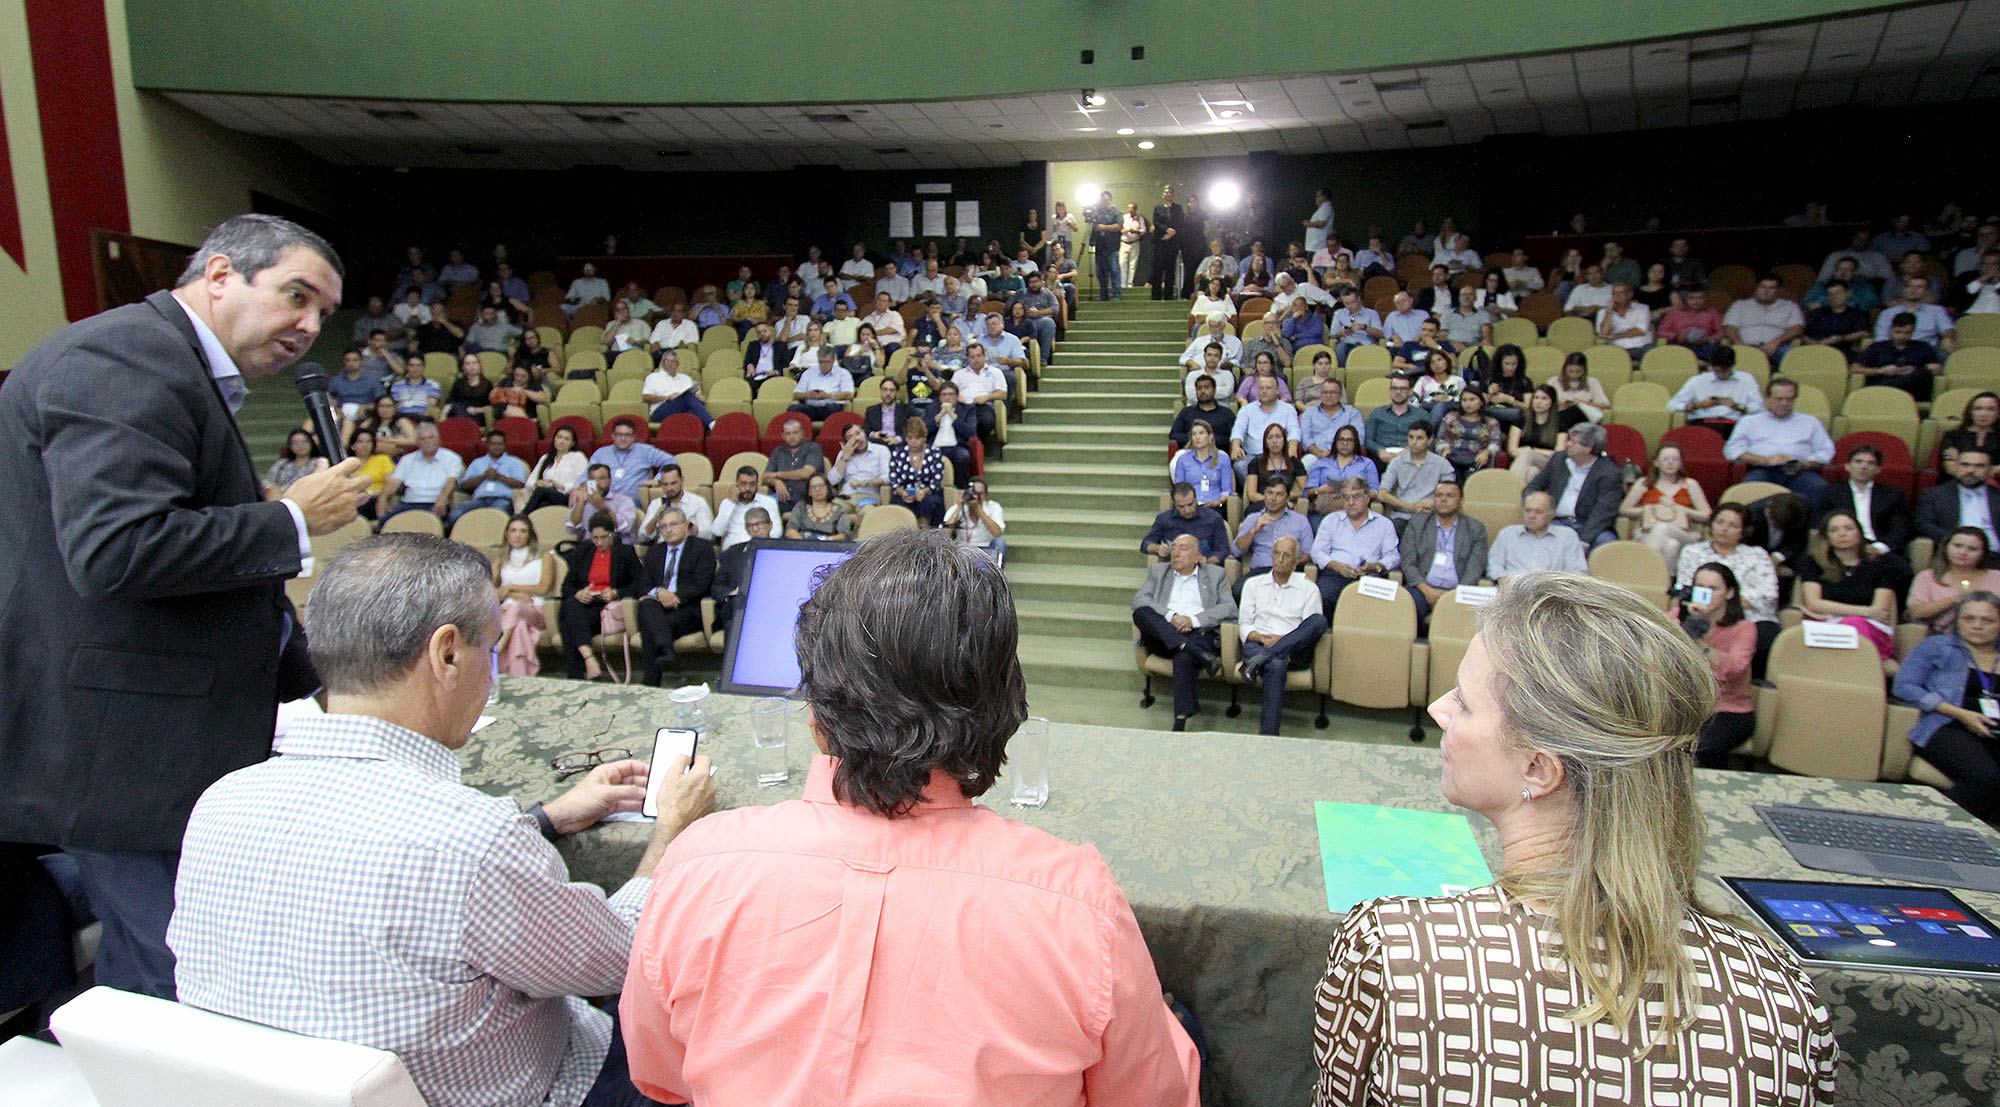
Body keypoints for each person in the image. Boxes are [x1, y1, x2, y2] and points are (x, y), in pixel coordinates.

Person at [629, 531, 1206, 1105]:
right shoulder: (1080, 907)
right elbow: (1158, 1096)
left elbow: (660, 1072)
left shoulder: (693, 870)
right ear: (1006, 708)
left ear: (816, 718)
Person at [170, 534, 716, 1107]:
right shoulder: (472, 843)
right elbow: (622, 957)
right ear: (448, 655)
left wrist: (546, 817)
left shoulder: (222, 802)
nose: (493, 672)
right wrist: (671, 835)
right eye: (492, 649)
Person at [0, 215, 367, 998]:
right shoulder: (123, 357)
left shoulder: (170, 364)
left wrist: (310, 683)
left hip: (155, 744)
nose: (308, 327)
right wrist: (293, 518)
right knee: (184, 975)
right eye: (296, 297)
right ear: (222, 273)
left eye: (323, 315)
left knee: (159, 964)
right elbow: (116, 549)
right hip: (129, 752)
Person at [1313, 572, 1838, 1105]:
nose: (1438, 709)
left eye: (1465, 703)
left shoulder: (1397, 955)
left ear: (1539, 768)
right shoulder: (1781, 994)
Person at [1895, 592, 2000, 820]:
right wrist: (1960, 714)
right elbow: (1904, 686)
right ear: (1957, 621)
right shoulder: (1937, 647)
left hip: (1994, 731)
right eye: (1969, 619)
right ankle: (1940, 830)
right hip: (1947, 726)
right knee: (1985, 778)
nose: (1977, 626)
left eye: (1988, 621)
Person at [1134, 533, 1236, 731]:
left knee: (1183, 657)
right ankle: (1193, 651)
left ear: (1198, 556)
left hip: (1199, 634)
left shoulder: (1215, 575)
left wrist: (1193, 620)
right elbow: (1139, 600)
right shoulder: (1158, 572)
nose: (1175, 553)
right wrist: (1171, 616)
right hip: (1163, 633)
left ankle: (1179, 722)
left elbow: (1229, 608)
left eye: (1183, 549)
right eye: (1174, 548)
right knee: (1142, 612)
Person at [1236, 535, 1327, 735]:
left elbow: (1308, 630)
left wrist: (1284, 642)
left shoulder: (1308, 588)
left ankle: (1260, 661)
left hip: (1293, 650)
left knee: (1319, 621)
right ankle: (1268, 736)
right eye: (1277, 553)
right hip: (1258, 643)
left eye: (1287, 556)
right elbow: (1244, 624)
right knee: (1276, 665)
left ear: (1296, 562)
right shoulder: (1253, 584)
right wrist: (1261, 638)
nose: (1280, 559)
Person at [1674, 503, 1782, 670]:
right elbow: (1685, 588)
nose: (1724, 529)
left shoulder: (1757, 555)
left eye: (1732, 525)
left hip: (1751, 616)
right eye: (1720, 522)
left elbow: (1768, 594)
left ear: (1743, 531)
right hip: (1704, 613)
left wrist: (1730, 601)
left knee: (1764, 640)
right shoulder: (1692, 552)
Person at [1673, 562, 1758, 767]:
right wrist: (1684, 624)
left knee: (1703, 748)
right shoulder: (1676, 617)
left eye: (1713, 589)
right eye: (1700, 587)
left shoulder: (1744, 628)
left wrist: (1698, 640)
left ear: (1729, 593)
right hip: (1685, 704)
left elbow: (1735, 669)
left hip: (1728, 708)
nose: (1706, 594)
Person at [1796, 511, 1900, 663]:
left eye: (1848, 528)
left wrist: (1840, 612)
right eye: (1834, 530)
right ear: (1826, 537)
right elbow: (1814, 603)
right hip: (1827, 629)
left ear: (1859, 533)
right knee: (1853, 623)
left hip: (1872, 630)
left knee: (1855, 624)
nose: (1842, 534)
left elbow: (1880, 609)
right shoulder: (1813, 563)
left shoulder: (1881, 565)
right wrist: (1865, 611)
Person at [559, 511, 644, 682]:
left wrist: (616, 592)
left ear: (612, 533)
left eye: (603, 537)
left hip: (605, 609)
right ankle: (589, 658)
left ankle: (577, 675)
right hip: (585, 604)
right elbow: (567, 586)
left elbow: (640, 584)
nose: (599, 542)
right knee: (571, 605)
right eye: (595, 537)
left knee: (569, 619)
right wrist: (579, 593)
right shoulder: (583, 551)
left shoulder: (626, 552)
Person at [635, 507, 715, 684]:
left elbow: (702, 583)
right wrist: (660, 592)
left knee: (651, 627)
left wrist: (675, 597)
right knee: (645, 606)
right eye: (663, 527)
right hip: (658, 606)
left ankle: (651, 681)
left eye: (673, 524)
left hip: (688, 608)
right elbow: (643, 583)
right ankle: (666, 652)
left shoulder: (702, 548)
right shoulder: (655, 552)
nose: (668, 530)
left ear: (686, 525)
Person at [1722, 378, 1835, 503]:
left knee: (1822, 489)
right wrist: (1765, 460)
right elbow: (1732, 450)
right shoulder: (1749, 422)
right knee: (1748, 492)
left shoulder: (1810, 422)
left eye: (1789, 399)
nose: (1784, 403)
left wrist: (1805, 463)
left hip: (1799, 470)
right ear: (1768, 399)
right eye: (1779, 399)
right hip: (1762, 469)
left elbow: (1827, 450)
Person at [1399, 479, 1488, 628]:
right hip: (1422, 589)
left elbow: (1475, 568)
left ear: (1461, 501)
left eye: (1449, 496)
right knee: (1406, 606)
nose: (1443, 499)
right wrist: (1426, 590)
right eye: (1439, 495)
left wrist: (1452, 596)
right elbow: (1408, 562)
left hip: (1460, 592)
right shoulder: (1417, 524)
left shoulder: (1475, 529)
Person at [1310, 477, 1401, 611]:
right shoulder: (1331, 521)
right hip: (1336, 574)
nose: (1351, 502)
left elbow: (1393, 556)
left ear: (1368, 497)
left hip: (1370, 577)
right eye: (1346, 498)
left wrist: (1376, 566)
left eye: (1356, 497)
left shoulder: (1384, 524)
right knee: (1323, 594)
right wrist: (1336, 566)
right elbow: (1317, 552)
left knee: (1376, 605)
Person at [1619, 444, 1713, 568]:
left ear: (1681, 464)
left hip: (1683, 532)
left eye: (1675, 459)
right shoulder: (1644, 483)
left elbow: (1706, 514)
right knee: (1671, 545)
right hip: (1648, 531)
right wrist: (1652, 508)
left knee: (1662, 527)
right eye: (1665, 459)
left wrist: (1678, 507)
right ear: (1657, 463)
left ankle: (1644, 571)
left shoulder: (1690, 484)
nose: (1670, 463)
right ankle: (1666, 582)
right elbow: (1624, 510)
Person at [1817, 443, 1910, 558]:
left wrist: (1879, 548)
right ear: (1848, 466)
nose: (1864, 466)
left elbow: (1900, 528)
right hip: (1842, 548)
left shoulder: (1892, 495)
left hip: (1879, 549)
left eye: (1870, 463)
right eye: (1858, 461)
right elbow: (1821, 523)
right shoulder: (1831, 493)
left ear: (1878, 469)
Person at [494, 514, 556, 676]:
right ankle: (519, 675)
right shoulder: (500, 558)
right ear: (507, 534)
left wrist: (511, 588)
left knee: (516, 607)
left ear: (530, 534)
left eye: (523, 531)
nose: (517, 535)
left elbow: (543, 588)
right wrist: (514, 594)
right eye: (513, 530)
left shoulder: (544, 556)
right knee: (519, 627)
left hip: (535, 610)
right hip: (506, 612)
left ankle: (497, 648)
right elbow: (493, 591)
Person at [1908, 528, 2000, 635]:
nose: (1963, 552)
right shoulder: (1927, 577)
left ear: (1983, 553)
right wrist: (1955, 600)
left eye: (1972, 549)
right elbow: (1916, 613)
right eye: (1957, 546)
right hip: (1943, 638)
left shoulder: (1996, 577)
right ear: (1946, 547)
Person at [1918, 447, 2000, 561]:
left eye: (1979, 466)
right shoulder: (1935, 494)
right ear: (1956, 466)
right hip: (1955, 555)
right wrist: (1956, 541)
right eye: (1965, 465)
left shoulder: (1997, 496)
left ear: (1991, 470)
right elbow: (1924, 524)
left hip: (1994, 556)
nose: (1971, 470)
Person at [1485, 491, 1588, 579]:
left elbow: (1577, 573)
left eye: (1538, 512)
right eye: (1528, 510)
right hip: (1512, 591)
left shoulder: (1567, 536)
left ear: (1551, 516)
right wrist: (1503, 581)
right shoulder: (1507, 534)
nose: (1531, 516)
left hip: (1551, 594)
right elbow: (1493, 566)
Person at [1663, 346, 1761, 435]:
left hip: (1733, 425)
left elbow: (1759, 407)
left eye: (1724, 370)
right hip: (1703, 422)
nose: (1720, 374)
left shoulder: (1746, 379)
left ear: (1732, 365)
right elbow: (1672, 405)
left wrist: (1737, 406)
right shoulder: (1698, 380)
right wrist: (1697, 405)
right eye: (1716, 370)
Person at [1855, 311, 1943, 401]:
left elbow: (1938, 369)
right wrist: (1881, 370)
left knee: (1922, 374)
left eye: (1907, 333)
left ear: (1913, 331)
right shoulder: (1876, 347)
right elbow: (1854, 369)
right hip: (1884, 383)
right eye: (1898, 332)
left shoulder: (1923, 347)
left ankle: (1884, 387)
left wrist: (1917, 369)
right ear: (1891, 329)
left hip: (1912, 392)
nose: (1902, 336)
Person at [450, 430, 528, 524]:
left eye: (500, 444)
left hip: (503, 499)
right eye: (493, 444)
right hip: (479, 500)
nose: (497, 447)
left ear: (505, 445)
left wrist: (498, 477)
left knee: (496, 515)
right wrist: (483, 476)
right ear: (487, 444)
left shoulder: (515, 462)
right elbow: (465, 485)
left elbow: (520, 484)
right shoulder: (477, 462)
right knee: (455, 514)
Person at [1722, 275, 1805, 361]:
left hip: (1776, 349)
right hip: (1744, 347)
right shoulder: (1739, 305)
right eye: (1763, 287)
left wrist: (1777, 341)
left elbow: (1797, 328)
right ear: (1756, 288)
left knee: (1793, 356)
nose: (1766, 291)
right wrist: (1738, 342)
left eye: (1772, 288)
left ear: (1779, 290)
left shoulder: (1790, 306)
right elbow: (1730, 327)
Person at [1145, 481, 1231, 564]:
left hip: (1205, 568)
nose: (1187, 510)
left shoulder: (1213, 518)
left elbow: (1223, 550)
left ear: (1196, 499)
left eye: (1190, 504)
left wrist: (1208, 561)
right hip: (1174, 567)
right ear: (1174, 504)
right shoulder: (1164, 519)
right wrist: (1158, 548)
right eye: (1181, 506)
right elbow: (1146, 543)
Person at [888, 417, 947, 526]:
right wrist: (903, 493)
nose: (913, 442)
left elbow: (937, 481)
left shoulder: (935, 453)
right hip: (904, 494)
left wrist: (923, 491)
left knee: (929, 502)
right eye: (910, 438)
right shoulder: (897, 454)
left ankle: (927, 534)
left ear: (924, 438)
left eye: (917, 438)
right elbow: (894, 482)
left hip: (928, 493)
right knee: (897, 503)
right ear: (905, 438)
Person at [1433, 390, 1502, 481]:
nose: (1468, 404)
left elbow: (1496, 443)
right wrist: (1444, 448)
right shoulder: (1451, 418)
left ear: (1481, 402)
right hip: (1452, 459)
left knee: (1473, 481)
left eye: (1472, 400)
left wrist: (1487, 452)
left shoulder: (1491, 422)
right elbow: (1440, 439)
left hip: (1477, 461)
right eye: (1464, 400)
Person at [708, 465, 782, 548]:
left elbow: (776, 532)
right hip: (732, 552)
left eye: (752, 484)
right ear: (736, 484)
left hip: (758, 549)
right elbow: (717, 531)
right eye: (743, 484)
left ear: (757, 484)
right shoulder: (727, 503)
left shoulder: (768, 502)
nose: (747, 488)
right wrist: (731, 502)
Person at [1506, 385, 1568, 482]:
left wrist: (1533, 450)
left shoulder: (1560, 422)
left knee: (1528, 454)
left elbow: (1559, 453)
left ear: (1552, 402)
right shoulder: (1521, 419)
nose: (1539, 402)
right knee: (1532, 472)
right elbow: (1512, 450)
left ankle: (1510, 488)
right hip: (1527, 464)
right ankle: (1524, 495)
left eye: (1544, 398)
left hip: (1549, 463)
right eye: (1536, 398)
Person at [522, 425, 589, 513]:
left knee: (542, 491)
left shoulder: (578, 457)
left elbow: (584, 481)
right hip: (546, 495)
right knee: (543, 504)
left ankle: (522, 516)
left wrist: (561, 486)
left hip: (568, 497)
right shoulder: (545, 458)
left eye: (566, 439)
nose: (561, 441)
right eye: (559, 437)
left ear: (572, 443)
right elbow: (529, 482)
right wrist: (537, 483)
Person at [1171, 419, 1234, 509]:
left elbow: (1227, 490)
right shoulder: (1183, 459)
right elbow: (1179, 489)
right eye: (1194, 434)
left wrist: (1219, 502)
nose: (1197, 437)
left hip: (1216, 505)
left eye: (1201, 433)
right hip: (1190, 507)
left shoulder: (1223, 458)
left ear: (1210, 436)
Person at [942, 476, 1006, 564]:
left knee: (1000, 542)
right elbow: (945, 533)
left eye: (980, 494)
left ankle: (997, 574)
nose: (975, 496)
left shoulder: (993, 507)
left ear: (986, 495)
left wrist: (978, 509)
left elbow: (997, 533)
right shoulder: (957, 508)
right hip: (963, 547)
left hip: (986, 546)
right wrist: (959, 507)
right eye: (973, 492)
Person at [641, 350, 713, 425]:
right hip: (661, 410)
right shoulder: (653, 377)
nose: (670, 364)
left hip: (683, 410)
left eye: (673, 361)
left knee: (696, 405)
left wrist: (700, 397)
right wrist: (668, 398)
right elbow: (646, 397)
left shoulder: (686, 378)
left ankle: (694, 431)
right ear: (662, 363)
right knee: (687, 396)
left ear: (677, 364)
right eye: (667, 361)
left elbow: (696, 395)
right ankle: (711, 424)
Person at [1941, 392, 2000, 479]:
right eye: (1978, 409)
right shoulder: (1953, 435)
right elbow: (1951, 468)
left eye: (1991, 409)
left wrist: (1961, 462)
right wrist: (1991, 469)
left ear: (1998, 413)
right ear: (1970, 412)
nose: (1983, 414)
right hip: (1956, 484)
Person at [1245, 422, 1307, 501]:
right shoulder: (1255, 463)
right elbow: (1252, 495)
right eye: (1270, 438)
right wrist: (1274, 501)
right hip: (1261, 503)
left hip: (1286, 505)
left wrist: (1290, 497)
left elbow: (1305, 491)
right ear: (1265, 442)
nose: (1274, 441)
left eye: (1278, 437)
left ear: (1284, 440)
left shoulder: (1295, 462)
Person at [264, 428, 327, 500]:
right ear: (290, 446)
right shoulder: (282, 463)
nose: (300, 445)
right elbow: (267, 481)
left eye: (304, 441)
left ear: (311, 443)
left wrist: (283, 489)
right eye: (295, 442)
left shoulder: (318, 463)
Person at [1548, 351, 1609, 424]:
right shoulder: (1553, 381)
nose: (1574, 375)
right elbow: (1544, 401)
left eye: (1578, 371)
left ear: (1584, 370)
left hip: (1584, 420)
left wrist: (1586, 403)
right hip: (1560, 418)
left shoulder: (1592, 382)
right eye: (1570, 371)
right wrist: (1562, 403)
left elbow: (1604, 404)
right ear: (1564, 369)